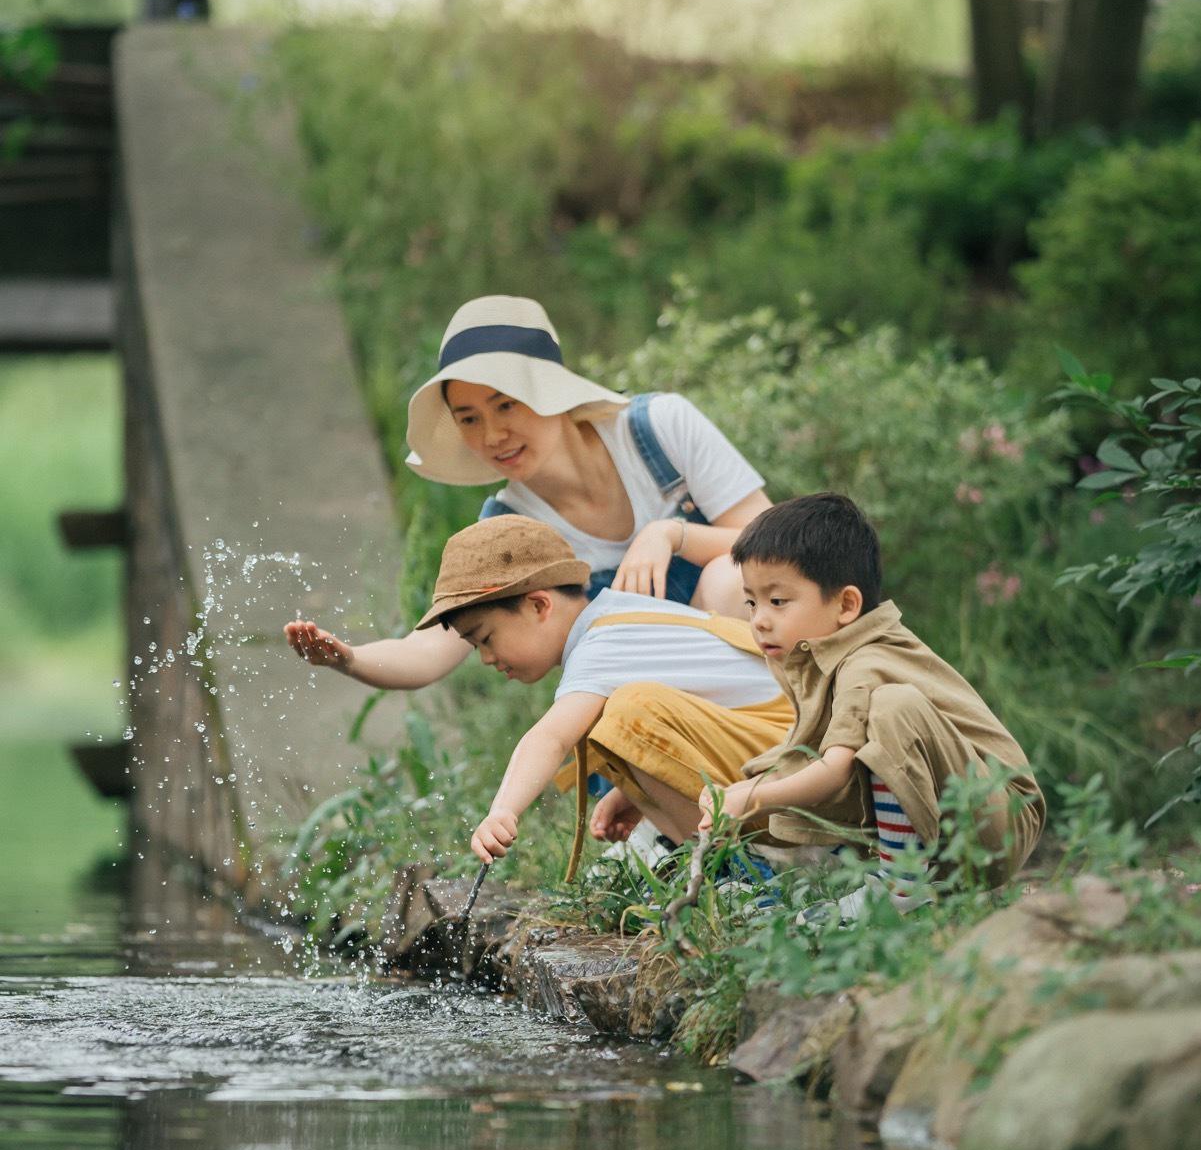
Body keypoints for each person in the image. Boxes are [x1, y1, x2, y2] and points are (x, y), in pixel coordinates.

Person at [285, 295, 771, 696]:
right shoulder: (507, 530)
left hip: (757, 671)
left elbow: (774, 546)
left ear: (550, 391)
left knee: (731, 578)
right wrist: (347, 659)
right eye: (469, 418)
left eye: (506, 405)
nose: (493, 435)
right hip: (642, 712)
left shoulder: (659, 429)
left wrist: (670, 534)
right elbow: (427, 651)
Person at [698, 494, 1045, 907]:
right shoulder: (809, 657)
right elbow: (806, 755)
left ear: (846, 605)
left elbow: (834, 773)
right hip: (952, 830)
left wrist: (752, 797)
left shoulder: (868, 660)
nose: (759, 619)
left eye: (778, 601)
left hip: (1000, 818)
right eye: (751, 602)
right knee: (790, 763)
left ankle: (899, 888)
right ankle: (846, 871)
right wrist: (745, 787)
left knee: (893, 707)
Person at [407, 516, 795, 870]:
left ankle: (737, 871)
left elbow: (550, 737)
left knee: (629, 715)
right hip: (778, 754)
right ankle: (713, 861)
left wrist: (503, 812)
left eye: (486, 639)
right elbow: (704, 709)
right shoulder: (617, 619)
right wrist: (637, 793)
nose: (487, 658)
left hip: (793, 766)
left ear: (539, 605)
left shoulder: (600, 644)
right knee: (618, 722)